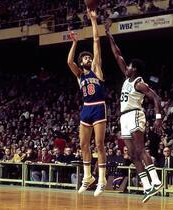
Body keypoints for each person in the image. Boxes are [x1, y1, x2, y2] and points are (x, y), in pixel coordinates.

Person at [105, 20, 163, 203]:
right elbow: (117, 55)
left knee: (140, 149)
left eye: (129, 66)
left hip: (136, 114)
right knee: (131, 154)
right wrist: (108, 34)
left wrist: (158, 118)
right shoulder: (127, 78)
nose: (126, 67)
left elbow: (157, 98)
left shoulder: (139, 83)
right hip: (124, 118)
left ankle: (156, 181)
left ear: (135, 68)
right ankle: (147, 187)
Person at [67, 9, 107, 196]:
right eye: (85, 57)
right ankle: (87, 177)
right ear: (81, 61)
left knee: (99, 144)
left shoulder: (96, 70)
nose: (88, 58)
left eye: (89, 57)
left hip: (98, 107)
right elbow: (69, 61)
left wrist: (93, 21)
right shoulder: (79, 75)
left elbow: (96, 42)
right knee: (83, 145)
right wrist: (74, 43)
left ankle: (102, 179)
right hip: (86, 109)